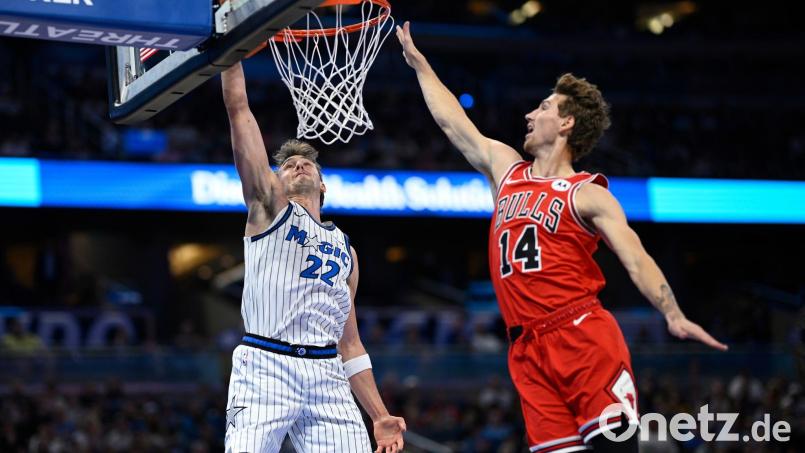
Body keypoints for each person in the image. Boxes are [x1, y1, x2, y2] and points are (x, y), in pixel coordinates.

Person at [396, 22, 728, 453]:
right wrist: (421, 66)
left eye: (544, 107)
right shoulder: (507, 171)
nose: (530, 115)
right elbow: (452, 123)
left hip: (581, 336)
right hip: (526, 350)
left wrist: (672, 312)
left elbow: (635, 256)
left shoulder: (588, 193)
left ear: (567, 122)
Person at [221, 62, 406, 453]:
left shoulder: (346, 249)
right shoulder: (269, 208)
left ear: (322, 183)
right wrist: (231, 55)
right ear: (277, 182)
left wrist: (378, 414)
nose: (297, 165)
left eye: (306, 163)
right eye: (287, 165)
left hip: (327, 373)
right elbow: (239, 110)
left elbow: (350, 345)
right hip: (265, 363)